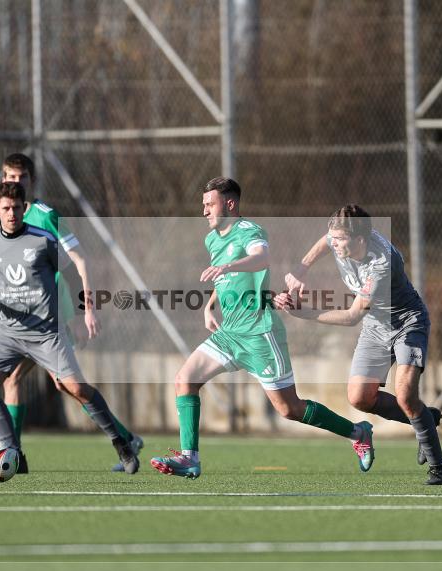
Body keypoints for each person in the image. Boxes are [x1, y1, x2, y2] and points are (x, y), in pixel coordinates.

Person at [150, 178, 375, 479]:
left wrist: (228, 267)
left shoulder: (251, 232)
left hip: (260, 333)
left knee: (289, 409)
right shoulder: (213, 239)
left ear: (229, 204)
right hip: (229, 333)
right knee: (185, 380)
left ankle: (357, 432)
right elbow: (223, 276)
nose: (204, 211)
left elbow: (261, 258)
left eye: (210, 204)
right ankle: (190, 458)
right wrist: (209, 304)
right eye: (203, 205)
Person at [276, 205, 442, 485]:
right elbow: (326, 240)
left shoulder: (380, 263)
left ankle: (439, 467)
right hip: (376, 325)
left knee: (406, 396)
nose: (334, 244)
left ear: (361, 240)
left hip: (408, 321)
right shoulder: (342, 240)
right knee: (360, 398)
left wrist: (303, 312)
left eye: (340, 240)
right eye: (334, 238)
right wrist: (301, 268)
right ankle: (425, 420)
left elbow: (351, 316)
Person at [0, 182, 138, 474]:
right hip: (8, 333)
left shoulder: (43, 239)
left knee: (75, 387)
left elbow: (70, 274)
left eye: (17, 208)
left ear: (25, 208)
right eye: (6, 208)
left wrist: (79, 314)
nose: (12, 214)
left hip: (47, 332)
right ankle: (13, 452)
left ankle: (120, 440)